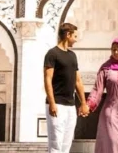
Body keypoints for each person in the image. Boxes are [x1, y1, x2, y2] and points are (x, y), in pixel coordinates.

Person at [43, 22, 90, 153]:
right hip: (57, 104)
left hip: (70, 106)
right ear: (67, 35)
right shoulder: (52, 54)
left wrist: (83, 103)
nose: (76, 39)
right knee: (55, 144)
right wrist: (52, 103)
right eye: (75, 36)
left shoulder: (72, 55)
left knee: (66, 144)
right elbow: (47, 79)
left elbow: (78, 81)